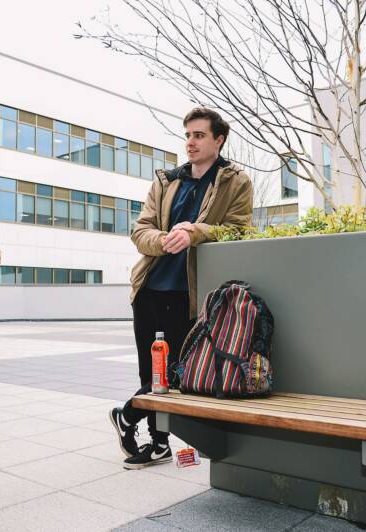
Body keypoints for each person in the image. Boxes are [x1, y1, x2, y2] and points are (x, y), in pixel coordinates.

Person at [109, 107, 253, 469]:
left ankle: (128, 415)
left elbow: (239, 230)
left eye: (200, 135)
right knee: (151, 371)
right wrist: (163, 240)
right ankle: (158, 444)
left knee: (180, 374)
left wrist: (194, 232)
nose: (191, 142)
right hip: (150, 289)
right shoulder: (166, 181)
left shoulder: (236, 181)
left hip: (193, 296)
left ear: (219, 140)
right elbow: (139, 231)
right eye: (188, 135)